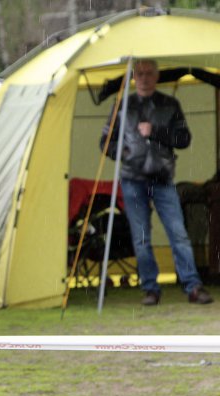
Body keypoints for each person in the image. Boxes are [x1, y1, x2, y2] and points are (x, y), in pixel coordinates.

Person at [100, 58, 212, 306]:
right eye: (140, 73)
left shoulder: (169, 104)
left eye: (149, 73)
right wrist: (125, 152)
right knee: (141, 239)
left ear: (157, 76)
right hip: (132, 180)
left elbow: (184, 139)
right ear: (134, 77)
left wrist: (157, 132)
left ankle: (193, 286)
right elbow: (105, 143)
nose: (144, 78)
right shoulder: (122, 105)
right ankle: (150, 289)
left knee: (178, 234)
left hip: (162, 180)